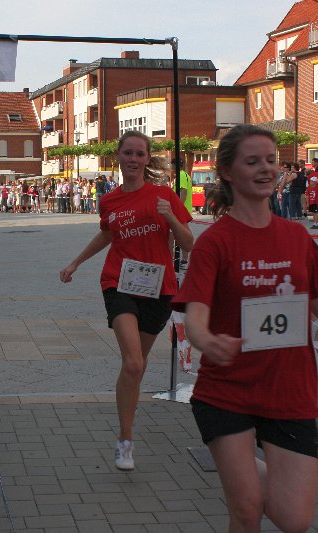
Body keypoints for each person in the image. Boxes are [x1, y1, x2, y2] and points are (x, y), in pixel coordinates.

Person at [173, 124, 318, 533]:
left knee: (294, 519)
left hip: (289, 389)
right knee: (246, 510)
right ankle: (242, 478)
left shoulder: (296, 236)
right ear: (227, 172)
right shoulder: (214, 242)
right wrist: (206, 340)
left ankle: (245, 473)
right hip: (227, 390)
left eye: (270, 160)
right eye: (252, 161)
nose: (265, 169)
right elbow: (196, 316)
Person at [59, 130, 194, 471]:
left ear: (147, 159)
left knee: (138, 364)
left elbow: (188, 244)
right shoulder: (110, 200)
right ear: (118, 156)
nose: (133, 159)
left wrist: (170, 216)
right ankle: (126, 439)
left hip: (158, 288)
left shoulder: (164, 195)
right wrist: (76, 262)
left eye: (139, 154)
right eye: (128, 153)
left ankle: (127, 418)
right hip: (119, 282)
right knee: (133, 363)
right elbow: (107, 234)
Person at [177, 159, 193, 267]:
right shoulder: (186, 175)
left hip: (181, 209)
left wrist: (178, 207)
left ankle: (184, 260)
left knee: (181, 235)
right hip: (185, 208)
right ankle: (183, 259)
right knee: (181, 234)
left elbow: (183, 192)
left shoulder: (181, 175)